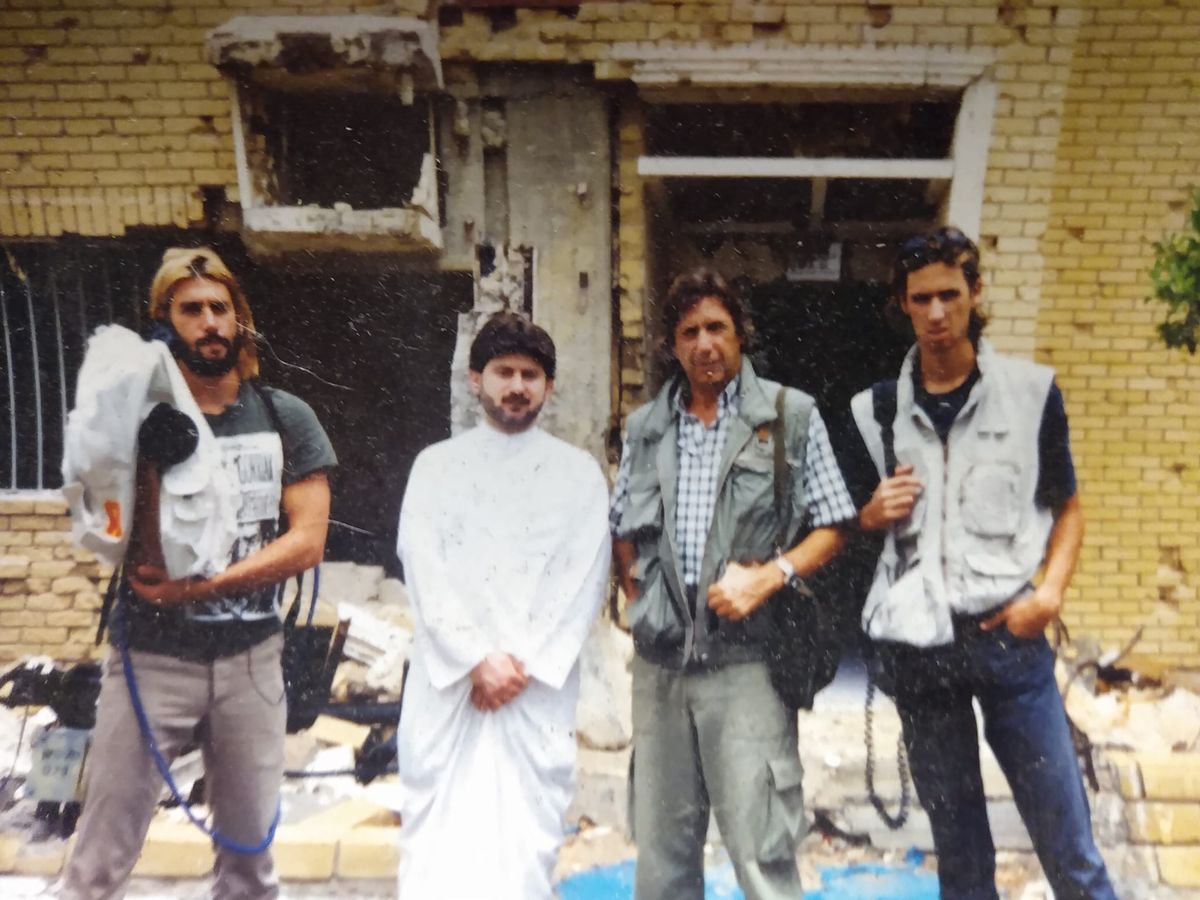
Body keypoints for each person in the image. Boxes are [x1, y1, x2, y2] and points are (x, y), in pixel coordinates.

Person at [846, 227, 1116, 899]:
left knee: (1067, 840)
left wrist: (1049, 595)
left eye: (950, 294)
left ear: (976, 291)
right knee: (961, 856)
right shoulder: (874, 410)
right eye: (921, 299)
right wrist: (870, 515)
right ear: (903, 304)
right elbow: (842, 528)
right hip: (921, 648)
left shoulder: (1030, 393)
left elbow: (1068, 509)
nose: (937, 313)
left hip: (1008, 638)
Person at [61, 247, 336, 900]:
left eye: (220, 308)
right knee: (97, 864)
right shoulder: (134, 421)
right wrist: (150, 456)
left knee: (249, 870)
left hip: (251, 662)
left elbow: (308, 541)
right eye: (190, 310)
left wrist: (205, 587)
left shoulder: (283, 415)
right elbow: (119, 537)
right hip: (153, 658)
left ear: (240, 319)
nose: (209, 322)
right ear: (164, 324)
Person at [610, 268, 857, 900]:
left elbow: (834, 524)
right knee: (662, 861)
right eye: (689, 332)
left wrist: (771, 576)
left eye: (717, 327)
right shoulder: (645, 428)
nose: (705, 344)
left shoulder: (789, 415)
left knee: (760, 853)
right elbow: (622, 529)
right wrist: (642, 603)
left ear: (740, 334)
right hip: (661, 672)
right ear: (672, 344)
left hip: (749, 665)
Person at [395, 311, 610, 900]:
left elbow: (583, 581)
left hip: (533, 692)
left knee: (524, 845)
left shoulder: (579, 474)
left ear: (549, 386)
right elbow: (423, 569)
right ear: (475, 379)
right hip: (451, 687)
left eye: (530, 375)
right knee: (436, 844)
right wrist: (474, 659)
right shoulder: (436, 466)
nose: (517, 386)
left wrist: (519, 667)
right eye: (503, 372)